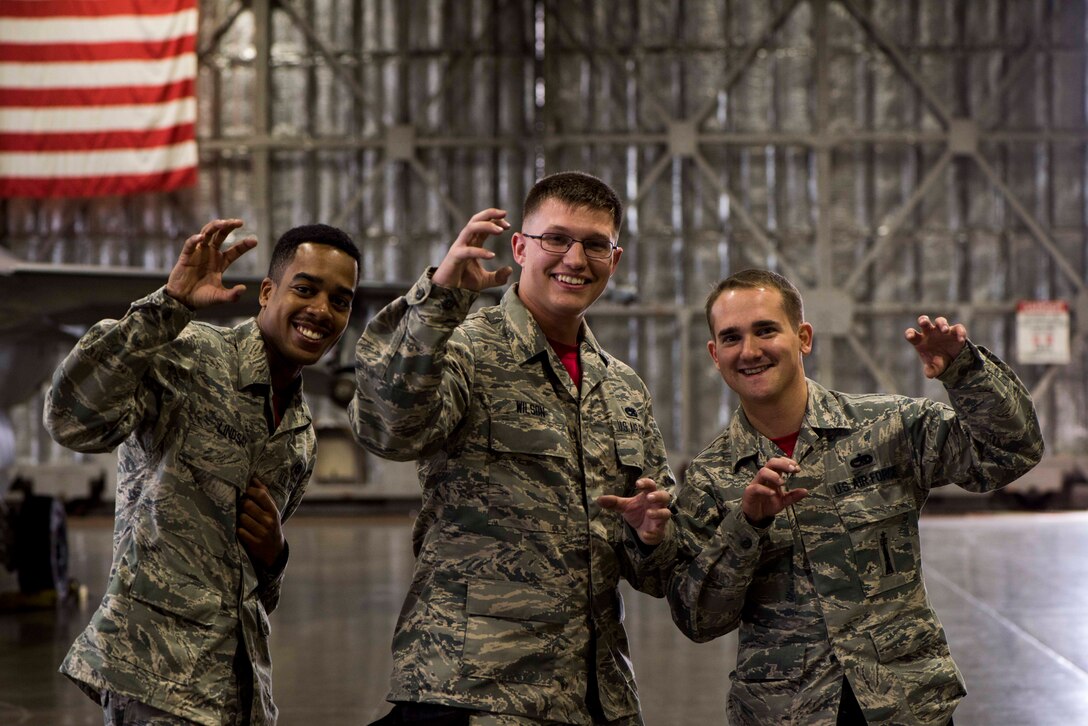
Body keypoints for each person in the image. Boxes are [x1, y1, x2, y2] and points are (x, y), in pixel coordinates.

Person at [349, 171, 674, 725]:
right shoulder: (465, 351)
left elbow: (655, 569)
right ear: (521, 247)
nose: (575, 258)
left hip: (597, 697)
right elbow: (390, 427)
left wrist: (649, 536)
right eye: (557, 239)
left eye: (595, 244)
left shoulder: (622, 388)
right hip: (477, 690)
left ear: (613, 261)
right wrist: (440, 299)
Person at [666, 268, 1043, 726]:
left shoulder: (887, 429)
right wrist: (747, 527)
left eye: (766, 330)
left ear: (803, 337)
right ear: (714, 353)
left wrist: (967, 374)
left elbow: (1011, 452)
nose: (749, 351)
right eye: (731, 338)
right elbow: (699, 619)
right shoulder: (711, 477)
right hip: (786, 714)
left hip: (906, 707)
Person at [45, 218, 360, 725]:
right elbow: (71, 421)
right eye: (305, 289)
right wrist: (167, 306)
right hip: (155, 681)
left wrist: (274, 555)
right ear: (267, 291)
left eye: (340, 301)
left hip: (240, 694)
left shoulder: (299, 434)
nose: (321, 310)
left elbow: (252, 590)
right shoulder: (186, 356)